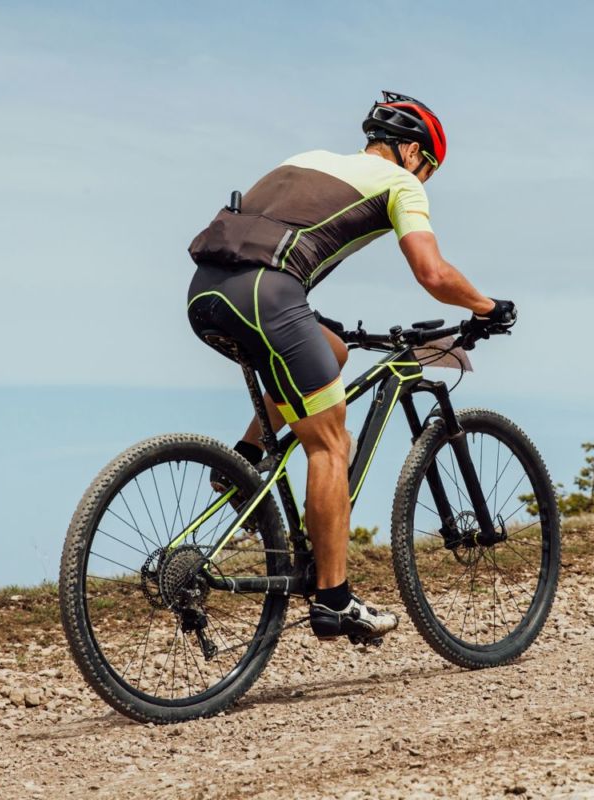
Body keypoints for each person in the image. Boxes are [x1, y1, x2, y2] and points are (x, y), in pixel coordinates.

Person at [185, 91, 516, 643]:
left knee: (331, 350)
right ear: (412, 151)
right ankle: (335, 600)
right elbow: (433, 274)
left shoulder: (306, 159)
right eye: (429, 169)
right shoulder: (400, 183)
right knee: (331, 445)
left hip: (206, 295)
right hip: (270, 295)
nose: (426, 181)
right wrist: (486, 307)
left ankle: (244, 462)